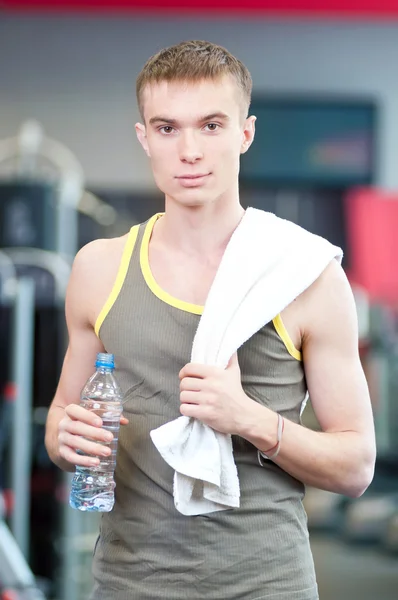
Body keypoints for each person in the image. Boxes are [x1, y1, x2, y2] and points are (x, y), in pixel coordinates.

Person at [45, 40, 376, 600]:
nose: (190, 150)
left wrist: (248, 419)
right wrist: (65, 438)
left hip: (267, 584)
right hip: (127, 583)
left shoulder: (304, 275)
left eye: (212, 126)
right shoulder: (98, 269)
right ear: (144, 138)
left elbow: (355, 466)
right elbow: (62, 421)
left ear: (245, 134)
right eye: (168, 128)